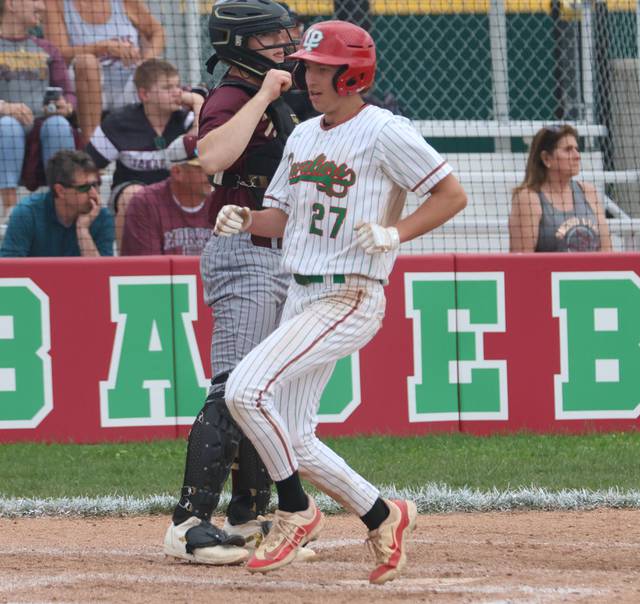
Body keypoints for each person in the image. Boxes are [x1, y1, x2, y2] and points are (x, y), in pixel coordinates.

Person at [214, 20, 467, 584]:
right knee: (296, 437)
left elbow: (452, 194)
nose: (310, 76)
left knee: (245, 390)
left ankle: (295, 509)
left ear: (353, 73)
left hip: (351, 292)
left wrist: (397, 233)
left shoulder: (384, 130)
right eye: (308, 65)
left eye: (323, 67)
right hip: (300, 293)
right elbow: (283, 217)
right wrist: (246, 219)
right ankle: (383, 514)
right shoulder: (303, 136)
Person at [162, 0, 312, 566]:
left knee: (259, 391)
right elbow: (213, 157)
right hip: (243, 253)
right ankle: (189, 521)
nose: (286, 46)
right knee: (231, 388)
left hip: (276, 254)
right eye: (275, 37)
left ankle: (249, 515)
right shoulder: (233, 95)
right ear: (242, 43)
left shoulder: (274, 96)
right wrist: (264, 97)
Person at [84, 58, 204, 249]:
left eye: (177, 86)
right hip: (132, 193)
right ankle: (129, 267)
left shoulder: (187, 119)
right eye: (167, 88)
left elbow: (200, 147)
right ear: (144, 94)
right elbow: (86, 166)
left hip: (177, 194)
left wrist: (198, 103)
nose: (177, 92)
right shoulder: (118, 124)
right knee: (134, 194)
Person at [43, 0, 165, 146]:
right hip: (84, 86)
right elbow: (59, 52)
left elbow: (157, 32)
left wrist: (145, 60)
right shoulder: (56, 4)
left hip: (129, 83)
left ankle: (158, 145)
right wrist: (103, 47)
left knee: (155, 72)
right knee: (87, 62)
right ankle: (91, 148)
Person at [0, 0, 77, 213]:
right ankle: (10, 210)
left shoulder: (48, 48)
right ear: (12, 4)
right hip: (5, 126)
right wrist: (4, 107)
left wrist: (67, 105)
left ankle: (61, 206)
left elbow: (69, 93)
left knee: (59, 124)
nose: (42, 7)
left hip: (42, 123)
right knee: (7, 125)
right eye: (36, 0)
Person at [508, 125, 612, 252]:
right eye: (568, 150)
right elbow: (521, 261)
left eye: (576, 149)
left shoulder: (588, 192)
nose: (577, 156)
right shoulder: (529, 198)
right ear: (546, 158)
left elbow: (607, 250)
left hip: (591, 271)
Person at [0, 149, 113, 257]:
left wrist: (82, 230)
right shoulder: (27, 214)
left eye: (95, 184)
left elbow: (102, 274)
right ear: (60, 191)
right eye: (84, 188)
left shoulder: (102, 216)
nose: (94, 193)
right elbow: (9, 272)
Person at [120, 135, 212, 256]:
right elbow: (147, 268)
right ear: (177, 172)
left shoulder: (223, 201)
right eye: (202, 167)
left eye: (213, 163)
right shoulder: (146, 203)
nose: (212, 171)